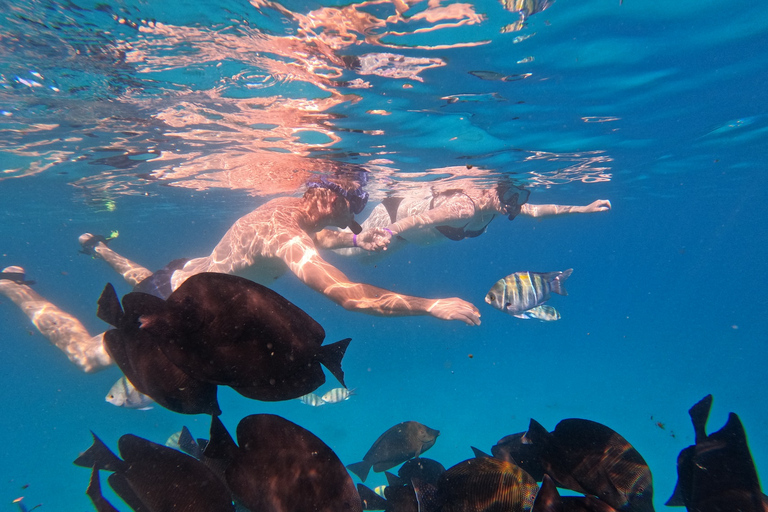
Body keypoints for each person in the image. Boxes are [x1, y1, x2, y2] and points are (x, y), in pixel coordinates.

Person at [0, 176, 481, 373]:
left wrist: (356, 240)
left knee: (145, 281)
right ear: (327, 195)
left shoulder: (288, 211)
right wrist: (431, 305)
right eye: (352, 201)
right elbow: (348, 297)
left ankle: (99, 247)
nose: (358, 208)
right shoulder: (284, 236)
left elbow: (318, 236)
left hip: (184, 276)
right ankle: (13, 289)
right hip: (177, 312)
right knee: (89, 358)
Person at [313, 179, 611, 256]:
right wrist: (389, 232)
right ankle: (312, 231)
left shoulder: (503, 206)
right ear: (497, 190)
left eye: (520, 198)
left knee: (363, 259)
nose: (514, 205)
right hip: (392, 217)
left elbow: (538, 212)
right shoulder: (467, 208)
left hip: (407, 241)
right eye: (510, 197)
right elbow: (419, 221)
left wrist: (582, 209)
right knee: (346, 251)